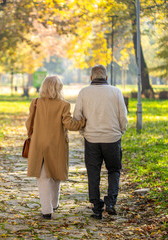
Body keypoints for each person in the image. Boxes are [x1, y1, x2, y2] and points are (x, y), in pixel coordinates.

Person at [26, 75, 86, 220]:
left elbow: (29, 124)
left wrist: (34, 133)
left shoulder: (35, 103)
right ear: (59, 88)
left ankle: (47, 210)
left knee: (43, 177)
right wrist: (83, 120)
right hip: (56, 145)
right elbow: (70, 125)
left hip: (38, 143)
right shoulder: (63, 105)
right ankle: (54, 203)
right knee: (56, 173)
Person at [73, 65, 128, 220]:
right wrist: (121, 131)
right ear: (106, 78)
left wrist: (84, 132)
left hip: (92, 139)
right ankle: (110, 203)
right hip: (112, 138)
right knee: (114, 170)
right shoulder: (115, 91)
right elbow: (123, 116)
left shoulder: (84, 92)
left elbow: (77, 116)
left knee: (93, 172)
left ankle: (97, 207)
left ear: (91, 78)